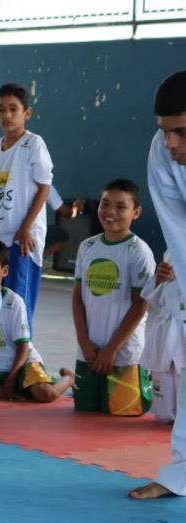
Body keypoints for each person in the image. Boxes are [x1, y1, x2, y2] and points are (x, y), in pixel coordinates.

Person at [131, 69, 186, 500]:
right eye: (166, 132)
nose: (171, 143)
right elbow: (178, 231)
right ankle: (181, 474)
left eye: (181, 132)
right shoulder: (161, 152)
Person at [71, 179, 155, 416]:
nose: (110, 212)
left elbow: (141, 305)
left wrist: (112, 349)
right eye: (105, 204)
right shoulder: (87, 247)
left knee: (123, 414)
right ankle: (71, 378)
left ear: (136, 212)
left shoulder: (139, 251)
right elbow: (77, 299)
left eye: (121, 207)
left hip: (123, 354)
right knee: (85, 412)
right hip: (89, 352)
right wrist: (84, 342)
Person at [0, 82, 53, 333]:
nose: (7, 115)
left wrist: (25, 228)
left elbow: (44, 187)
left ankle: (24, 361)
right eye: (1, 110)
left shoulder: (33, 144)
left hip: (23, 239)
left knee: (19, 304)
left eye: (14, 109)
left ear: (27, 113)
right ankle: (0, 359)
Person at [0, 238, 75, 402]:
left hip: (22, 362)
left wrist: (10, 380)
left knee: (45, 394)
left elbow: (24, 347)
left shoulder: (13, 302)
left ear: (5, 271)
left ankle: (69, 379)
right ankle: (18, 386)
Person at [139, 252, 186, 423]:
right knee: (163, 411)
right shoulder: (174, 246)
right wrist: (160, 277)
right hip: (167, 326)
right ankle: (167, 414)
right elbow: (155, 297)